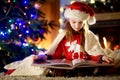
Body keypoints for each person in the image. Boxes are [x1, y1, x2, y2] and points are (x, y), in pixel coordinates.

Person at [33, 1, 114, 64]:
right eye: (74, 22)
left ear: (84, 22)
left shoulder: (88, 35)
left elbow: (94, 51)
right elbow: (57, 54)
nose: (77, 26)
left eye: (80, 22)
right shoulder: (64, 36)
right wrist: (45, 57)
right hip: (70, 64)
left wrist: (101, 57)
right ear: (69, 21)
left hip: (85, 64)